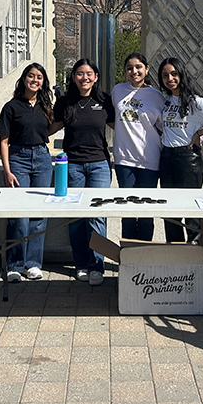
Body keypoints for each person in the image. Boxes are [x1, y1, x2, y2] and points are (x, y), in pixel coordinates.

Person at [49, 59, 115, 286]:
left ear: (95, 76)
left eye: (89, 73)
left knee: (97, 215)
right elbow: (49, 128)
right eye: (80, 73)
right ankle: (81, 265)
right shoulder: (65, 102)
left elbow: (126, 128)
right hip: (72, 165)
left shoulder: (105, 101)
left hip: (99, 165)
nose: (84, 77)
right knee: (76, 216)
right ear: (74, 76)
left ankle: (97, 266)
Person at [157, 57, 203, 243]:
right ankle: (175, 251)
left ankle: (195, 253)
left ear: (182, 74)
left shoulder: (195, 102)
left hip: (187, 158)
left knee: (190, 207)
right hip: (166, 156)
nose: (170, 79)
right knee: (170, 209)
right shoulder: (165, 100)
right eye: (165, 75)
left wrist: (201, 133)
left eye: (174, 74)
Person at [0, 63, 55, 283]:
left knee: (39, 214)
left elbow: (49, 129)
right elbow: (4, 141)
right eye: (31, 76)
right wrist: (7, 170)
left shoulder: (45, 105)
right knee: (18, 215)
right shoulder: (11, 107)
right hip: (18, 158)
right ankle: (14, 265)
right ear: (24, 79)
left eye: (39, 77)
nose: (35, 80)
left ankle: (32, 264)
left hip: (42, 158)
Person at [112, 53, 164, 241]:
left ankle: (143, 254)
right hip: (124, 160)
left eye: (138, 67)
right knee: (127, 210)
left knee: (145, 212)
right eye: (129, 68)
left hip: (150, 160)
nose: (134, 71)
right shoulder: (118, 91)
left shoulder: (157, 96)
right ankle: (127, 255)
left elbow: (165, 127)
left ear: (147, 69)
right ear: (126, 72)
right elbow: (113, 119)